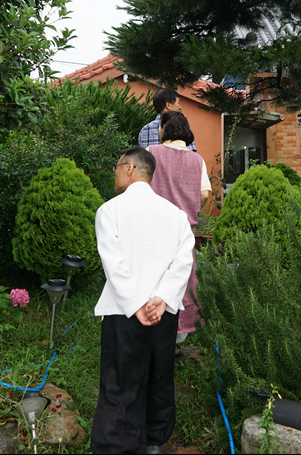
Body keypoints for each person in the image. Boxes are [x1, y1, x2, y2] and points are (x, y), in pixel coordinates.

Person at [91, 146, 195, 455]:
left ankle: (117, 446)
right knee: (159, 376)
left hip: (124, 311)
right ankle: (153, 440)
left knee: (121, 380)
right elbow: (183, 262)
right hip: (164, 314)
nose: (115, 175)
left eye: (115, 169)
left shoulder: (109, 211)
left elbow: (114, 263)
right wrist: (160, 299)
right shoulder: (176, 215)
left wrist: (137, 304)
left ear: (128, 168)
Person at [146, 111, 210, 345]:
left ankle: (150, 327)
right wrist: (191, 205)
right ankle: (177, 338)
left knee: (153, 280)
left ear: (164, 128)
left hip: (154, 230)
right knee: (182, 281)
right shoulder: (197, 160)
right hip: (185, 231)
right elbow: (204, 193)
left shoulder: (152, 153)